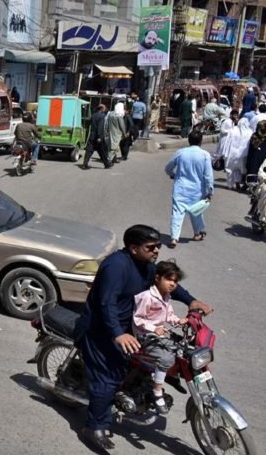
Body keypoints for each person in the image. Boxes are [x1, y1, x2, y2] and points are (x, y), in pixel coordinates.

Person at [73, 225, 212, 451]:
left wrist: (191, 301)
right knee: (109, 377)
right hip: (101, 329)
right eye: (151, 247)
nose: (157, 250)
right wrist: (117, 333)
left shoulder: (145, 265)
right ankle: (93, 426)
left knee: (159, 354)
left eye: (158, 246)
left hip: (131, 325)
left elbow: (165, 283)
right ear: (133, 248)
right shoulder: (116, 267)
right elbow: (106, 303)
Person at [133, 260, 189, 415]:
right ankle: (157, 390)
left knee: (184, 349)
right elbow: (138, 319)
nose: (172, 284)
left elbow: (168, 314)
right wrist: (153, 328)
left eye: (175, 281)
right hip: (145, 336)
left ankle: (170, 375)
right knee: (166, 358)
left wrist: (178, 321)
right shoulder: (146, 297)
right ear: (157, 278)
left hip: (160, 333)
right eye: (169, 279)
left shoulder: (166, 296)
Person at [165, 130, 214, 247]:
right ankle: (197, 233)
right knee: (196, 211)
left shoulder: (180, 153)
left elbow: (168, 168)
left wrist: (172, 174)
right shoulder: (205, 155)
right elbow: (208, 176)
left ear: (188, 140)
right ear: (201, 141)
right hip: (197, 190)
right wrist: (210, 191)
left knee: (177, 212)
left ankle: (174, 238)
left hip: (180, 188)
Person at [226, 118, 254, 191]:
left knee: (230, 169)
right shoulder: (250, 132)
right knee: (240, 170)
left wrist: (224, 153)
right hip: (243, 154)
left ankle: (230, 185)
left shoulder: (233, 130)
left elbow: (227, 142)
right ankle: (240, 183)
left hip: (232, 153)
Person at [82, 105, 112, 169]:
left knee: (89, 150)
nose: (105, 110)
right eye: (104, 108)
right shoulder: (102, 116)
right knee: (102, 151)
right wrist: (99, 137)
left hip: (92, 135)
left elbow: (89, 124)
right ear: (101, 109)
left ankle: (84, 164)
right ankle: (107, 164)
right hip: (98, 136)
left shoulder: (93, 115)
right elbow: (100, 127)